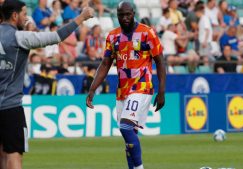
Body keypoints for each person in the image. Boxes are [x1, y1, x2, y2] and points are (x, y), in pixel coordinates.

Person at [0, 1, 93, 168]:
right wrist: (81, 17)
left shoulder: (16, 35)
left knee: (1, 156)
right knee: (13, 156)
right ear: (14, 16)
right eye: (23, 13)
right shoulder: (19, 37)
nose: (26, 16)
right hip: (10, 108)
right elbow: (56, 37)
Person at [86, 2, 166, 169]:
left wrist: (161, 91)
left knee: (125, 127)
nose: (125, 18)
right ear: (117, 15)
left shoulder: (147, 33)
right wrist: (92, 89)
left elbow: (160, 61)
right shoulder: (113, 37)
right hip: (122, 91)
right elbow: (105, 63)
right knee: (129, 139)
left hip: (141, 87)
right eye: (121, 15)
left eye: (128, 14)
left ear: (133, 13)